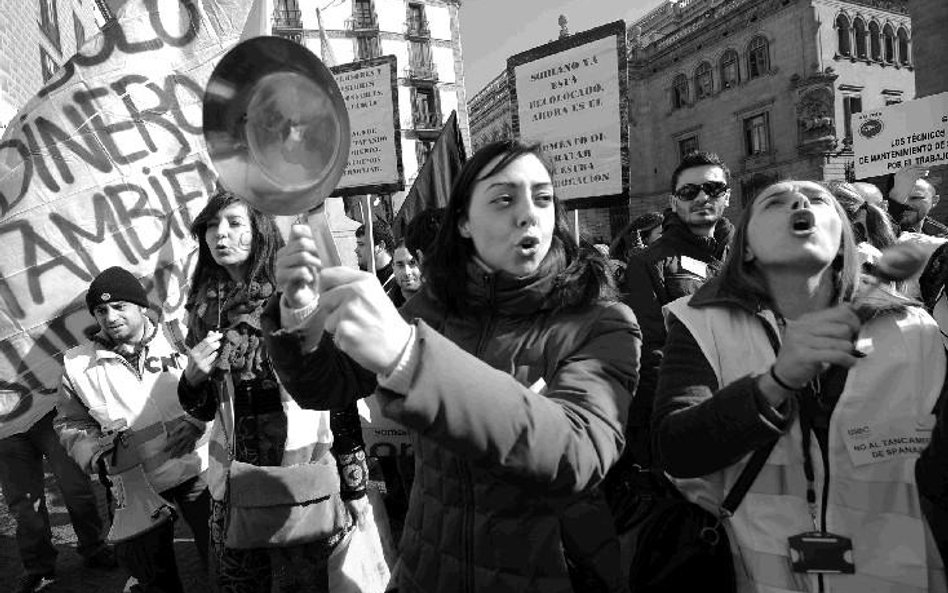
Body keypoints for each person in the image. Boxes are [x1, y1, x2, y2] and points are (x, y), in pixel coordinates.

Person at [263, 140, 641, 592]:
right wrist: (299, 312)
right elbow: (327, 386)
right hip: (429, 566)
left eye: (542, 198)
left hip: (547, 573)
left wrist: (412, 360)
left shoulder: (601, 321)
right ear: (463, 221)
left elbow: (579, 452)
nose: (528, 214)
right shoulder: (435, 306)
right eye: (504, 199)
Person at [653, 179, 947, 592]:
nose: (799, 204)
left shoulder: (914, 332)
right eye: (775, 203)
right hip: (759, 575)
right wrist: (774, 384)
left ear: (843, 239)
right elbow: (677, 450)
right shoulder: (700, 323)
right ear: (748, 246)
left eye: (817, 201)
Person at [176, 191, 375, 593]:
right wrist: (191, 379)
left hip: (302, 477)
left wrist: (354, 483)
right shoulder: (201, 310)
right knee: (240, 585)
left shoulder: (296, 301)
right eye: (212, 226)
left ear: (261, 231)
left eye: (234, 223)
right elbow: (208, 407)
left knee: (311, 584)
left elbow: (336, 395)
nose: (221, 235)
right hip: (234, 482)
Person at [54, 267, 209, 593]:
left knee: (221, 561)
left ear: (141, 306)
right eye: (101, 310)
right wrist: (95, 455)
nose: (110, 317)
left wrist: (199, 421)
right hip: (136, 488)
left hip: (198, 472)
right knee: (155, 580)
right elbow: (70, 423)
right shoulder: (77, 364)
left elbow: (219, 389)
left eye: (120, 306)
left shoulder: (180, 335)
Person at [616, 151, 734, 476]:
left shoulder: (747, 260)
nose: (701, 198)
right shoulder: (649, 263)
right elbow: (649, 355)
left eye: (712, 189)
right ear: (674, 200)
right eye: (688, 191)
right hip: (691, 424)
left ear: (727, 196)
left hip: (744, 415)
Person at [0, 402, 115, 593]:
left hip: (49, 411)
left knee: (76, 488)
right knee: (24, 505)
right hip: (5, 429)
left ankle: (93, 546)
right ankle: (38, 566)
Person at [355, 218, 404, 307]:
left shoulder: (401, 282)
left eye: (361, 245)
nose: (356, 250)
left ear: (381, 246)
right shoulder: (362, 280)